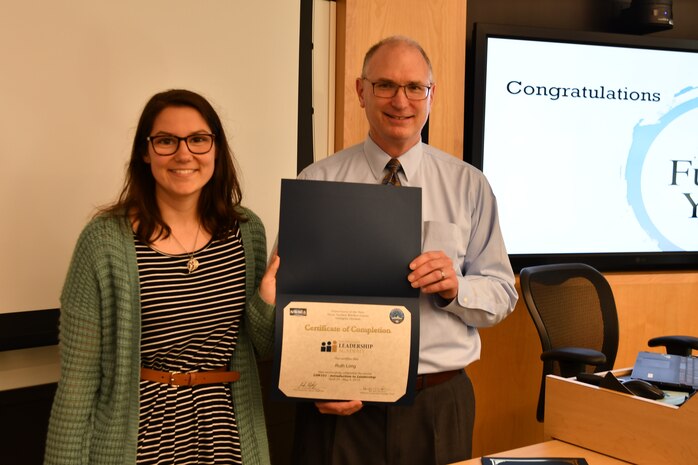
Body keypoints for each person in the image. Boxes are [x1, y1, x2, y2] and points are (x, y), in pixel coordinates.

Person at [291, 36, 518, 465]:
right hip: (341, 403)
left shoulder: (469, 185)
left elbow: (502, 294)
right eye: (385, 86)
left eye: (415, 87)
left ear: (431, 95)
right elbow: (292, 299)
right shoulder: (316, 182)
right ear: (361, 91)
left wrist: (456, 289)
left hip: (436, 402)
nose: (401, 101)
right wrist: (313, 382)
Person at [44, 89, 279, 465]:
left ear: (216, 150)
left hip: (229, 435)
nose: (184, 154)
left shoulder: (246, 231)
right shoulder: (103, 242)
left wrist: (266, 299)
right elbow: (77, 383)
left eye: (199, 140)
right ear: (145, 151)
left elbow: (263, 347)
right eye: (167, 141)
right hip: (138, 439)